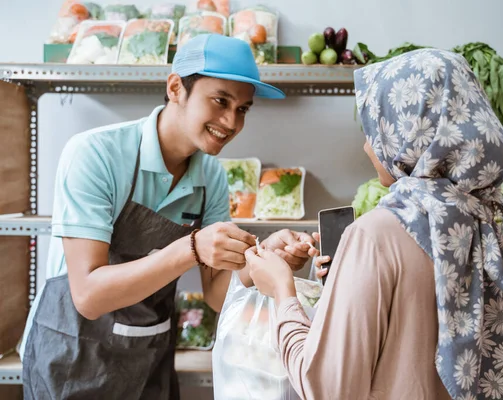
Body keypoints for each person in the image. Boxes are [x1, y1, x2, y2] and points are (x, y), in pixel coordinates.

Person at [19, 33, 320, 399]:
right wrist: (191, 248)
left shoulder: (211, 176)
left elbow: (217, 292)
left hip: (147, 359)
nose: (231, 121)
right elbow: (88, 295)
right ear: (176, 88)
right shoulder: (95, 155)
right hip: (71, 357)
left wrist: (267, 257)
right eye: (220, 100)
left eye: (242, 108)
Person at [245, 48, 503, 400]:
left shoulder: (375, 235)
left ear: (409, 132)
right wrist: (345, 284)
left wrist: (281, 292)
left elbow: (327, 388)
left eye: (375, 126)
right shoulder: (479, 219)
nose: (368, 146)